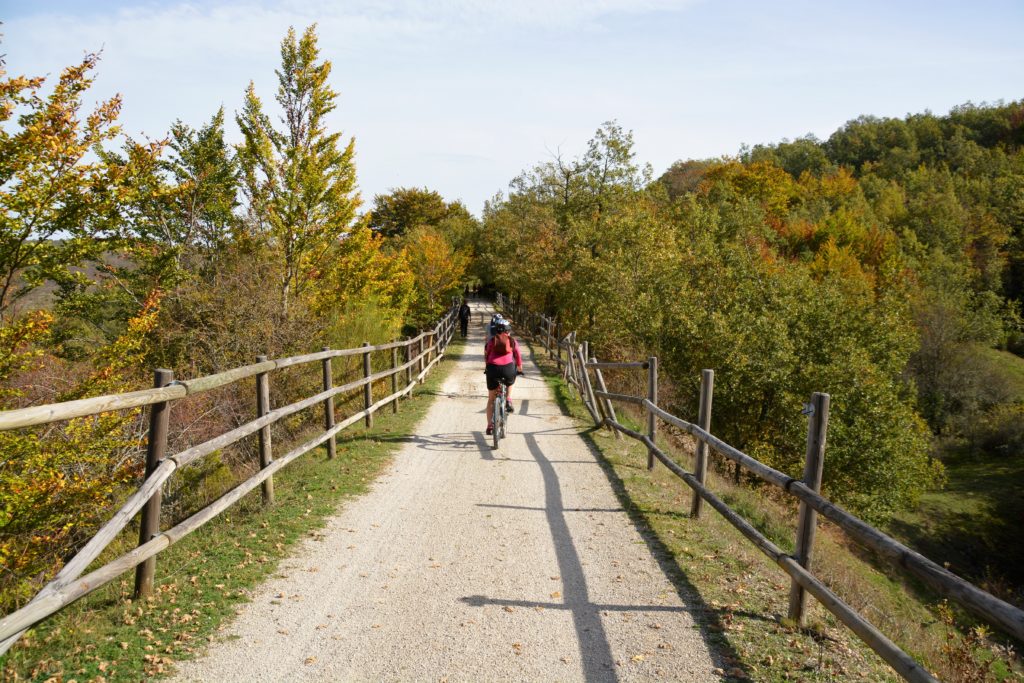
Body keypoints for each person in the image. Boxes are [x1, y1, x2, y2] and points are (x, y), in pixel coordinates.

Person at [484, 316, 522, 435]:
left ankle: (490, 426)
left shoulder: (491, 341)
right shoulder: (512, 341)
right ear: (508, 330)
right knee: (511, 380)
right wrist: (519, 368)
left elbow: (487, 355)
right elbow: (518, 356)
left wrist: (487, 366)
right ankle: (509, 399)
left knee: (491, 399)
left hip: (492, 369)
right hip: (507, 369)